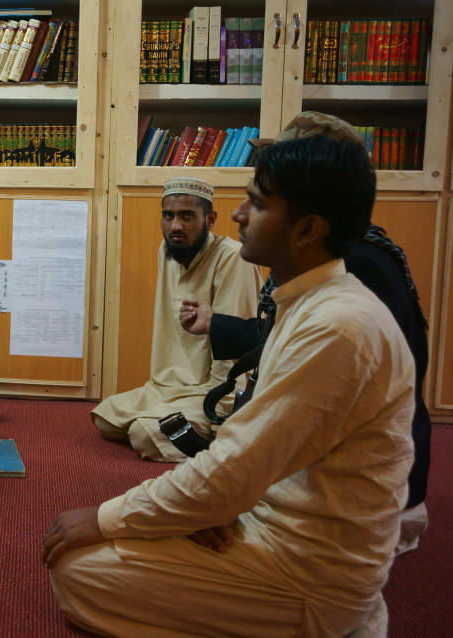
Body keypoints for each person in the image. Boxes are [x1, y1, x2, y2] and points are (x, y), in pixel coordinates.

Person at [43, 134, 414, 637]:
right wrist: (220, 505)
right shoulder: (309, 302)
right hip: (267, 515)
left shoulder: (337, 327)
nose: (239, 215)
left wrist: (108, 516)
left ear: (307, 229)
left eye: (257, 204)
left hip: (308, 569)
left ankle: (329, 625)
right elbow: (252, 452)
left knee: (79, 571)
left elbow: (237, 458)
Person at [179, 112, 430, 554]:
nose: (244, 211)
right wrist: (215, 324)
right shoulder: (338, 256)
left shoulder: (358, 268)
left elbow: (312, 409)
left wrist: (229, 495)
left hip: (343, 498)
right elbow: (278, 338)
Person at [91, 176, 262, 462]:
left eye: (187, 216)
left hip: (213, 391)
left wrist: (220, 411)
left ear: (210, 219)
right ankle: (166, 419)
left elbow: (235, 347)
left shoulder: (233, 258)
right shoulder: (168, 251)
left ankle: (225, 447)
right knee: (105, 417)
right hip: (168, 388)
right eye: (168, 216)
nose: (175, 226)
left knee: (143, 434)